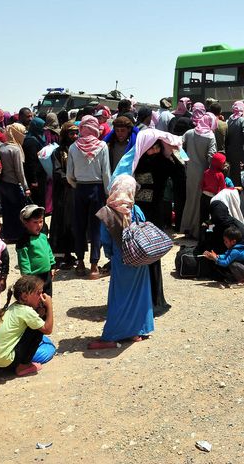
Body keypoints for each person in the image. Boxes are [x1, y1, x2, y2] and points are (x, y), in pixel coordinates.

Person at [111, 128, 183, 317]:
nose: (154, 150)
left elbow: (179, 175)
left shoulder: (139, 160)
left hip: (143, 215)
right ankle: (149, 301)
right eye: (153, 146)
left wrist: (169, 154)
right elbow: (180, 174)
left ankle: (148, 301)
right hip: (141, 215)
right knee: (145, 254)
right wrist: (171, 154)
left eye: (157, 146)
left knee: (145, 254)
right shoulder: (149, 161)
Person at [89, 175, 155, 349]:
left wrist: (110, 255)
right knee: (138, 295)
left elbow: (105, 239)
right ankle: (136, 331)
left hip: (121, 259)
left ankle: (111, 336)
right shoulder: (135, 209)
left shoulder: (108, 211)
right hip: (140, 258)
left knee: (119, 298)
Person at [67, 115, 111, 278]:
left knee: (79, 226)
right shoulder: (102, 146)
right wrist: (107, 192)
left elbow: (69, 174)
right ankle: (94, 266)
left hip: (80, 189)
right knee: (96, 228)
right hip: (97, 189)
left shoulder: (73, 147)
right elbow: (106, 173)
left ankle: (80, 264)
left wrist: (76, 185)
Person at [0, 275, 53, 377]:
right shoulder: (26, 311)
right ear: (25, 296)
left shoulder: (14, 306)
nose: (41, 296)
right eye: (38, 293)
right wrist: (49, 306)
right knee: (37, 330)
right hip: (7, 362)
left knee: (35, 323)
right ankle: (23, 366)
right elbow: (48, 330)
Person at [180, 107, 217, 238]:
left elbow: (178, 146)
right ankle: (197, 231)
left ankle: (186, 228)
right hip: (204, 173)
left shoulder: (189, 133)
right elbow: (211, 156)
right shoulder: (210, 136)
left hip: (190, 171)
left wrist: (185, 160)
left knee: (190, 200)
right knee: (201, 202)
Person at [50, 122, 78, 268]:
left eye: (76, 133)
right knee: (61, 222)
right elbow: (57, 171)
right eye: (72, 133)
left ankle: (70, 253)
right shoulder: (58, 152)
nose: (75, 136)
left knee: (73, 222)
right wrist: (69, 179)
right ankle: (60, 255)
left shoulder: (79, 150)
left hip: (75, 191)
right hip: (63, 191)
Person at [16, 204, 56, 296]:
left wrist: (52, 266)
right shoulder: (24, 241)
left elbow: (49, 252)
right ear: (25, 223)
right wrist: (27, 277)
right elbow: (23, 261)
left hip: (47, 275)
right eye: (35, 222)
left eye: (41, 221)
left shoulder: (43, 237)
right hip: (34, 278)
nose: (39, 225)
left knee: (47, 298)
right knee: (35, 299)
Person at [225, 100, 244, 187]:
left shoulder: (229, 120)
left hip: (229, 150)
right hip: (240, 151)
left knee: (231, 172)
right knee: (238, 173)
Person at [200, 152, 227, 231]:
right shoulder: (220, 174)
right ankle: (210, 233)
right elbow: (223, 188)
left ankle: (202, 234)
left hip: (204, 197)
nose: (224, 164)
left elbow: (202, 185)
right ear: (218, 164)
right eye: (223, 163)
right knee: (211, 218)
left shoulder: (206, 172)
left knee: (203, 217)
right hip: (213, 198)